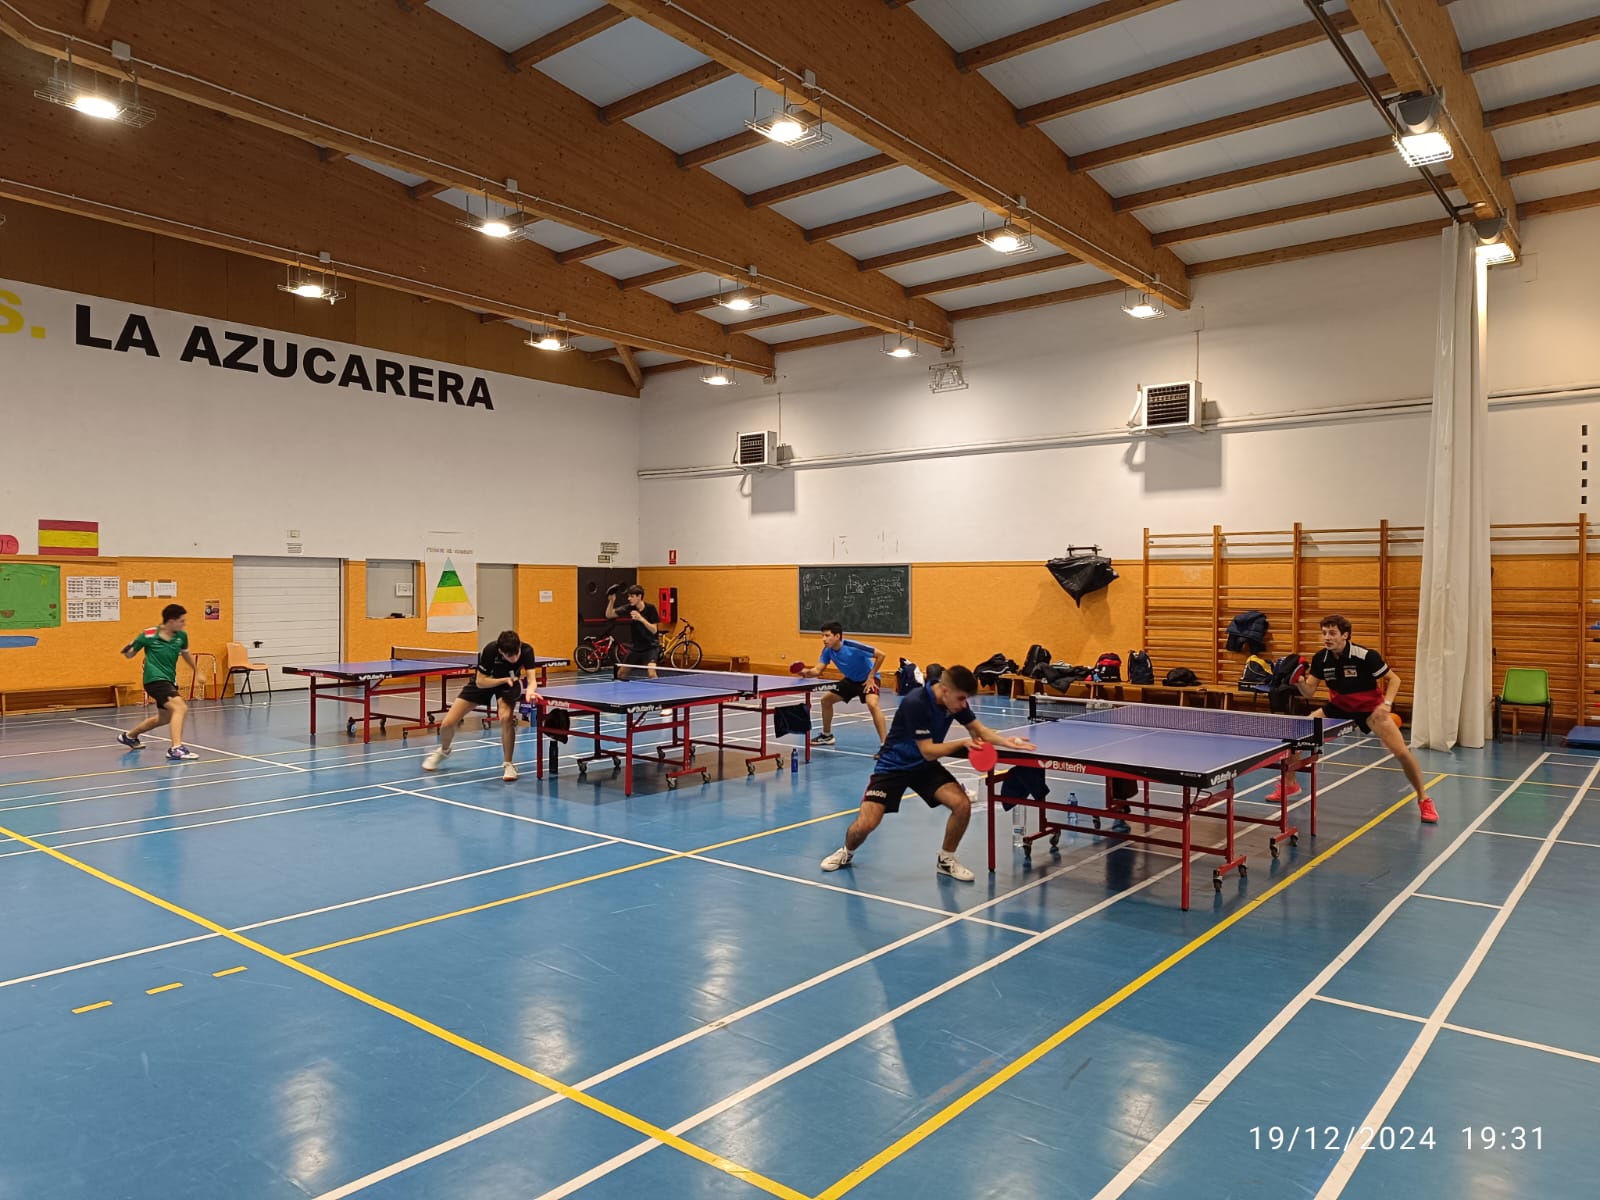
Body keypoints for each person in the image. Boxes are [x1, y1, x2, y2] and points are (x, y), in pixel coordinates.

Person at [820, 664, 1035, 881]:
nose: (964, 704)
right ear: (945, 690)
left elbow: (978, 729)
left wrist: (1006, 742)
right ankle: (847, 851)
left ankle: (946, 860)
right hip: (894, 765)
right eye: (961, 699)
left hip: (923, 767)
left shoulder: (954, 702)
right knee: (866, 824)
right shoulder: (916, 702)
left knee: (961, 805)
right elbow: (929, 751)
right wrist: (962, 743)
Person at [1276, 614, 1438, 824]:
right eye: (1324, 633)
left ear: (1345, 635)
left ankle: (1424, 799)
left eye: (1332, 633)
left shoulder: (1365, 656)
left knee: (1402, 753)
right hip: (1339, 706)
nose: (1327, 637)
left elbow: (1394, 679)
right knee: (1298, 732)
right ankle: (1290, 784)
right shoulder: (1321, 659)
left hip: (1370, 710)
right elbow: (1309, 692)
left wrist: (1386, 704)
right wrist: (1299, 681)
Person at [422, 629, 538, 780]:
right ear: (500, 651)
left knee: (506, 718)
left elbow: (532, 680)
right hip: (487, 682)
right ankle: (444, 750)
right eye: (510, 656)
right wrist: (503, 680)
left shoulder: (527, 650)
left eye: (517, 653)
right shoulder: (490, 650)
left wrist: (530, 692)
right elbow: (480, 682)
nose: (515, 658)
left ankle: (508, 764)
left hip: (507, 686)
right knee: (447, 724)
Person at [117, 604, 201, 760]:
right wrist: (130, 648)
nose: (184, 624)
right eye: (181, 621)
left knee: (164, 718)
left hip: (169, 680)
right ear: (171, 621)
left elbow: (186, 654)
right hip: (154, 680)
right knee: (180, 707)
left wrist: (197, 671)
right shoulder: (148, 635)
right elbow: (130, 654)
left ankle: (129, 736)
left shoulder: (181, 636)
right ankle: (176, 748)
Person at [801, 621, 887, 745]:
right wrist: (806, 672)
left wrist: (871, 676)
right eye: (823, 636)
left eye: (827, 635)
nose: (824, 639)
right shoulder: (827, 650)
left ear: (837, 636)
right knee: (826, 701)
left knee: (872, 704)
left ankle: (885, 744)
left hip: (868, 680)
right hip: (851, 680)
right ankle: (827, 736)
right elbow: (818, 670)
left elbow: (881, 655)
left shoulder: (853, 646)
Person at [607, 584, 660, 680]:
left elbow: (654, 630)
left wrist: (641, 618)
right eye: (628, 596)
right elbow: (609, 615)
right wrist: (611, 601)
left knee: (651, 674)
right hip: (636, 648)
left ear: (639, 596)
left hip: (651, 648)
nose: (629, 598)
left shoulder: (651, 608)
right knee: (620, 674)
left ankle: (658, 689)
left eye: (632, 596)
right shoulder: (629, 608)